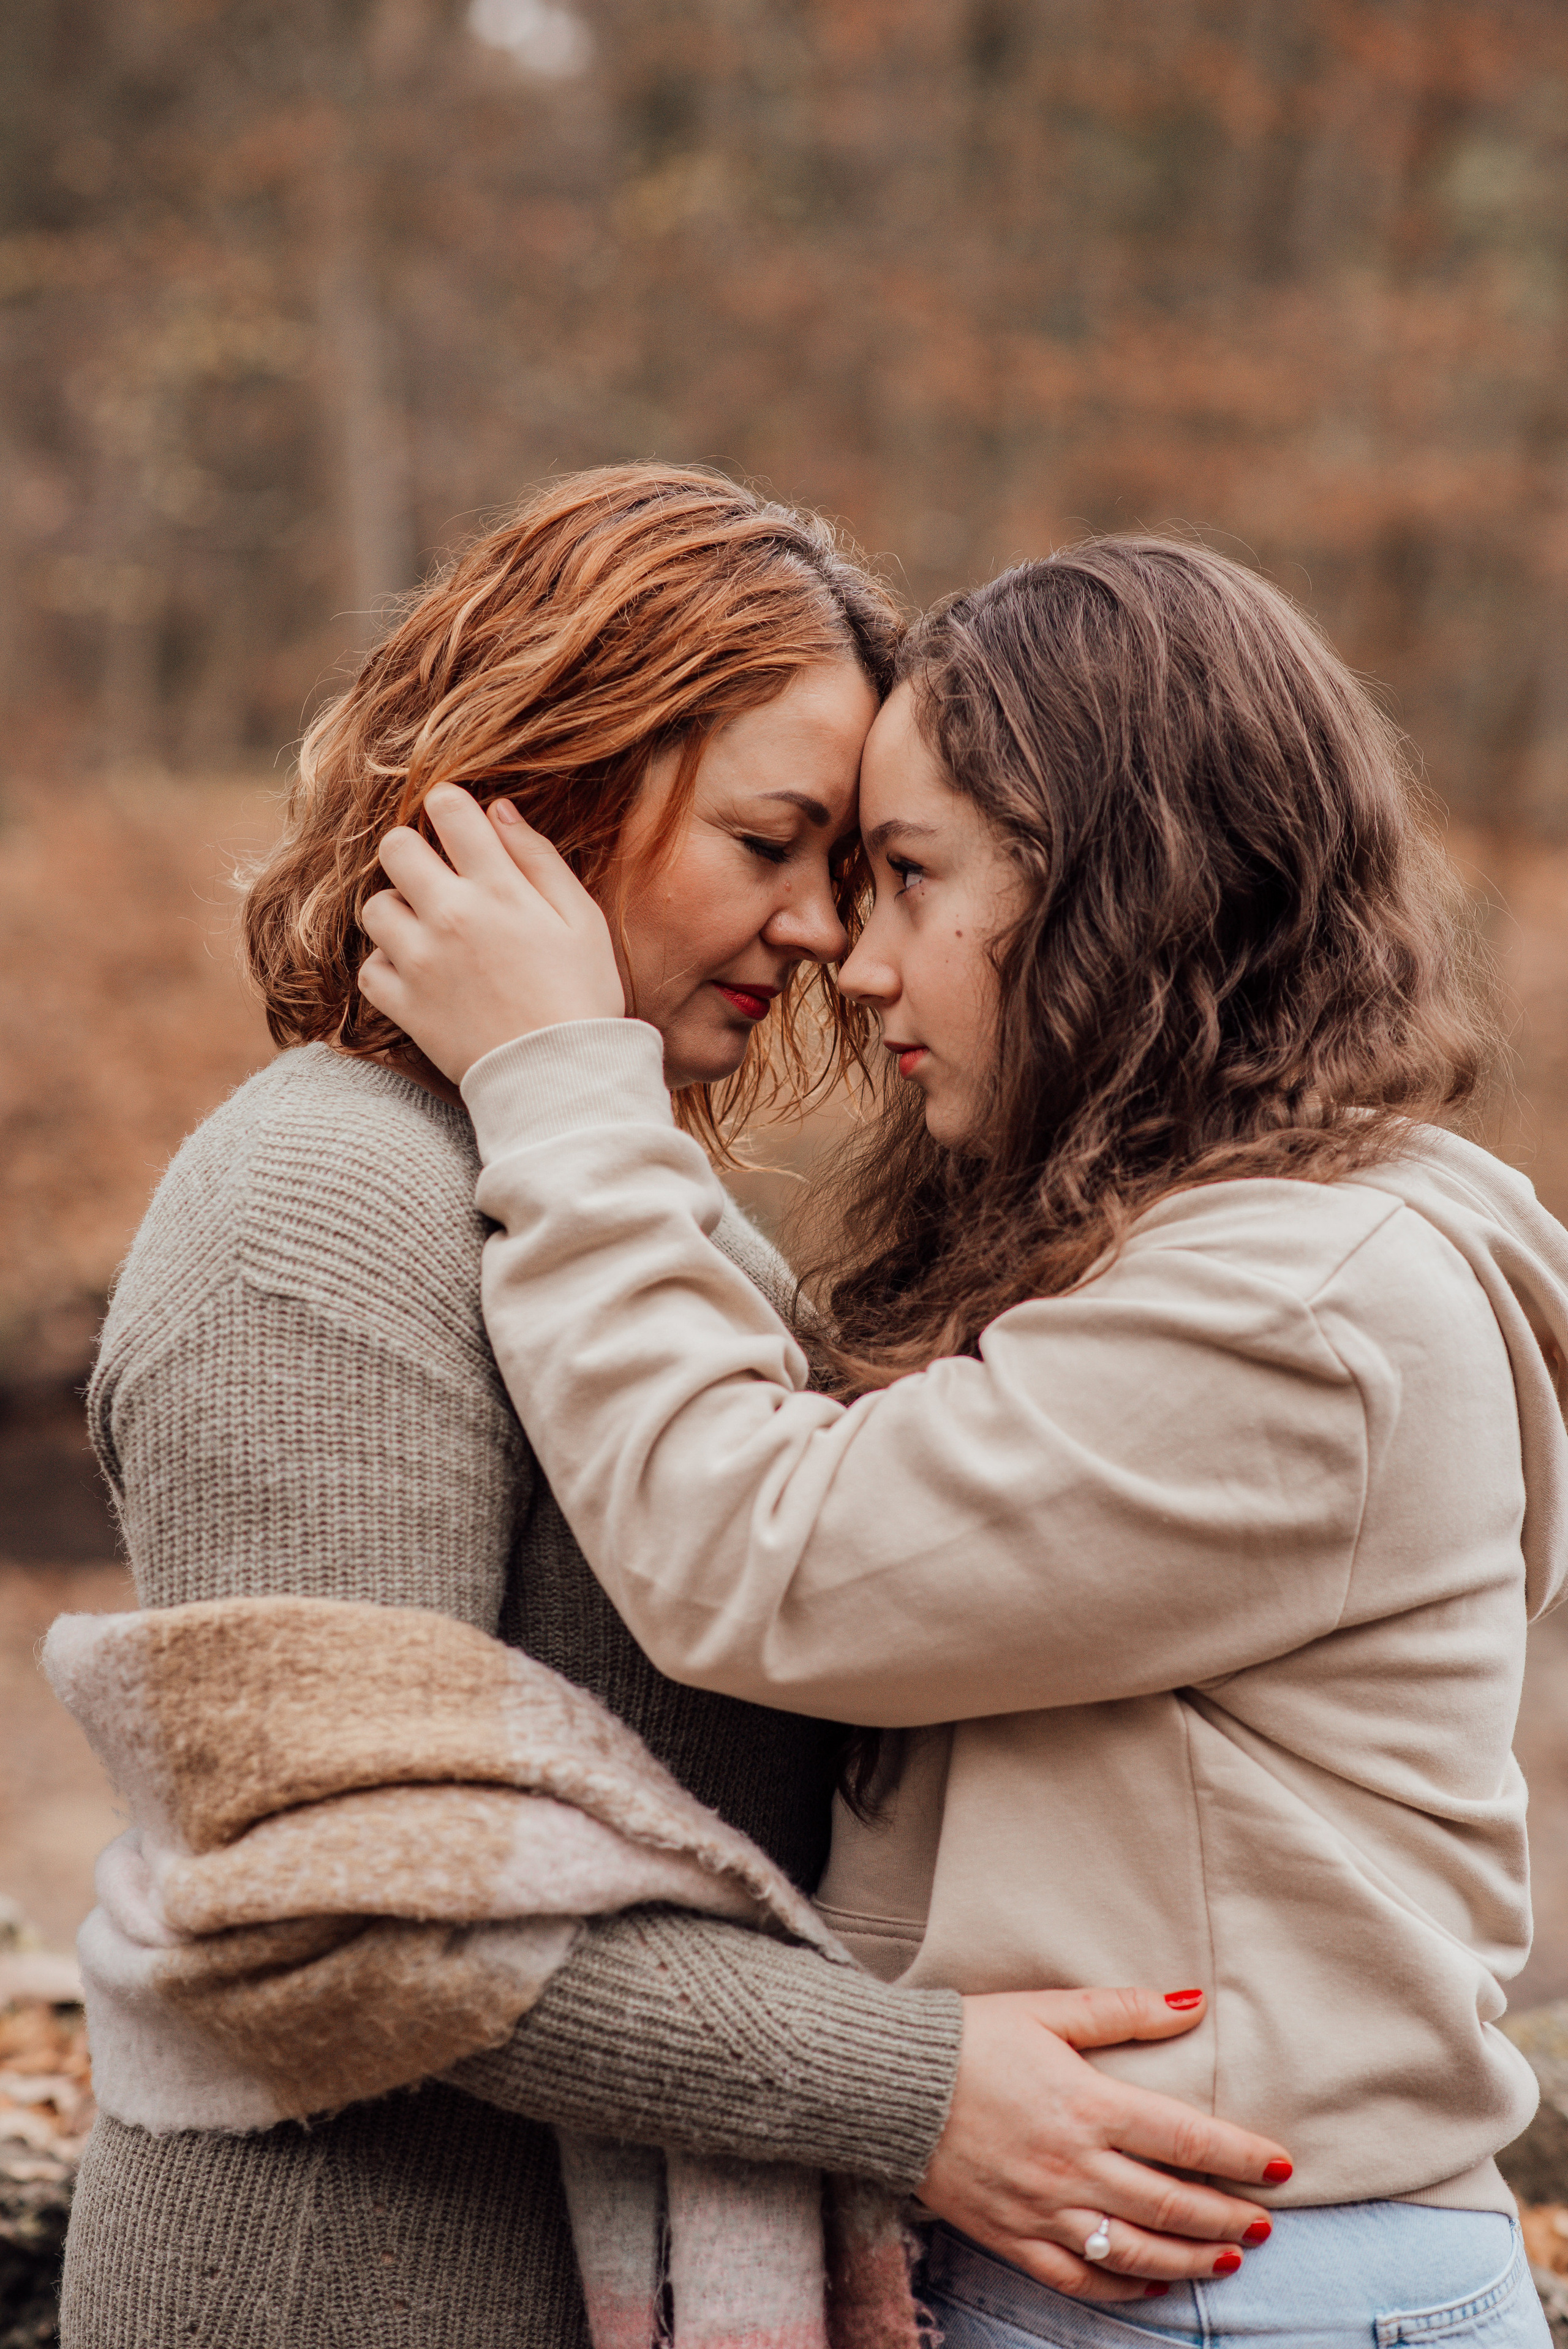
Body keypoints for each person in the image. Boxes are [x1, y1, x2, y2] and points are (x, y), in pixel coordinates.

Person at [63, 481, 1286, 2349]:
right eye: (768, 841)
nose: (817, 928)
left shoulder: (628, 1199)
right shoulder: (314, 1202)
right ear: (550, 786)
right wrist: (918, 2089)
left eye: (857, 870)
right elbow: (344, 1901)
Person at [358, 533, 1568, 2347]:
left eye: (908, 875)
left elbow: (751, 1550)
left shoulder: (1295, 1308)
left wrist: (553, 1081)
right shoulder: (1238, 1243)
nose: (850, 955)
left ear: (1119, 892)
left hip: (1212, 2292)